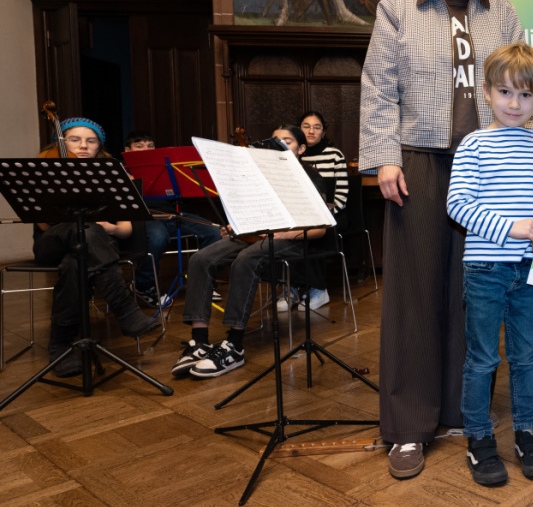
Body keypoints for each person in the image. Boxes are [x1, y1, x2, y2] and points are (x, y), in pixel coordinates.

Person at [359, 0, 526, 480]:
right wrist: (382, 159)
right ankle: (408, 427)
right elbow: (379, 86)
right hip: (418, 162)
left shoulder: (500, 11)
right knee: (414, 292)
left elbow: (519, 86)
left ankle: (461, 411)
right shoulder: (398, 5)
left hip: (487, 165)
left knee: (475, 291)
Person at [446, 44, 533, 486]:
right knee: (482, 358)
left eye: (526, 95)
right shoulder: (474, 144)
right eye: (506, 92)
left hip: (529, 272)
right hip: (486, 271)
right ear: (487, 93)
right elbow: (458, 206)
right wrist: (507, 227)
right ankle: (478, 438)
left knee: (526, 356)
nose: (515, 104)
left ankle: (527, 432)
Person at [172, 125, 332, 380]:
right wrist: (235, 226)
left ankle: (234, 345)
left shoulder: (310, 177)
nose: (280, 147)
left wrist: (286, 234)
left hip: (294, 238)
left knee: (248, 259)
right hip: (257, 235)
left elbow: (321, 230)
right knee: (201, 258)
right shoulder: (258, 176)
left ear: (301, 149)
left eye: (287, 142)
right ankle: (199, 341)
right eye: (275, 142)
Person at [36, 118, 157, 378]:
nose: (83, 145)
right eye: (74, 139)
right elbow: (44, 226)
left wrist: (108, 227)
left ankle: (60, 345)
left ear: (98, 147)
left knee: (76, 260)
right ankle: (125, 310)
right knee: (86, 232)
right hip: (53, 242)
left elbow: (125, 229)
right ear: (61, 143)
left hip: (91, 246)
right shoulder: (45, 171)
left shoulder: (112, 176)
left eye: (91, 141)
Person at [122, 131, 222, 307]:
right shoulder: (122, 170)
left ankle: (200, 281)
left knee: (214, 231)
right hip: (145, 218)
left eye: (150, 146)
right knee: (157, 238)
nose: (146, 150)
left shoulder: (164, 167)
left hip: (171, 215)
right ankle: (144, 287)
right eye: (139, 146)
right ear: (128, 151)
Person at [278, 110, 348, 311]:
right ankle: (291, 288)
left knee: (313, 232)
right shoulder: (291, 154)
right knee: (285, 233)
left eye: (317, 127)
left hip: (332, 214)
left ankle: (317, 289)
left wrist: (324, 213)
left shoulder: (335, 154)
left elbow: (342, 194)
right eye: (306, 126)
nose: (311, 131)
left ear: (323, 131)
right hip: (299, 214)